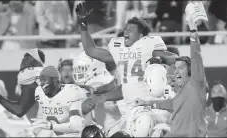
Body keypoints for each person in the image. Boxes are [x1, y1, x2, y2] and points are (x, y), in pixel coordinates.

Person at [75, 2, 178, 137]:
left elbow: (174, 57)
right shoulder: (120, 50)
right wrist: (83, 24)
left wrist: (159, 60)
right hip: (131, 110)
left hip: (150, 109)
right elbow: (91, 50)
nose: (126, 32)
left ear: (141, 36)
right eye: (126, 29)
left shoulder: (148, 46)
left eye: (131, 29)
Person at [135, 3, 208, 137]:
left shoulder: (196, 84)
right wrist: (146, 102)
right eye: (175, 68)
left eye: (181, 68)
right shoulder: (180, 94)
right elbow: (168, 103)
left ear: (191, 71)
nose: (176, 71)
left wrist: (192, 29)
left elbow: (196, 54)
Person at [0, 66, 85, 137]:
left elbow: (76, 126)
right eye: (40, 81)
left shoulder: (70, 93)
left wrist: (50, 127)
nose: (41, 84)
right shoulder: (39, 93)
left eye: (43, 80)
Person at [73, 52, 122, 136]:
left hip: (110, 127)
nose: (79, 72)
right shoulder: (103, 78)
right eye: (77, 69)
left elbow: (87, 111)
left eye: (82, 68)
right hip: (111, 124)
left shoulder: (97, 81)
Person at [0, 49, 45, 123]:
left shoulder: (30, 73)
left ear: (36, 61)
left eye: (27, 58)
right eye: (24, 58)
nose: (23, 60)